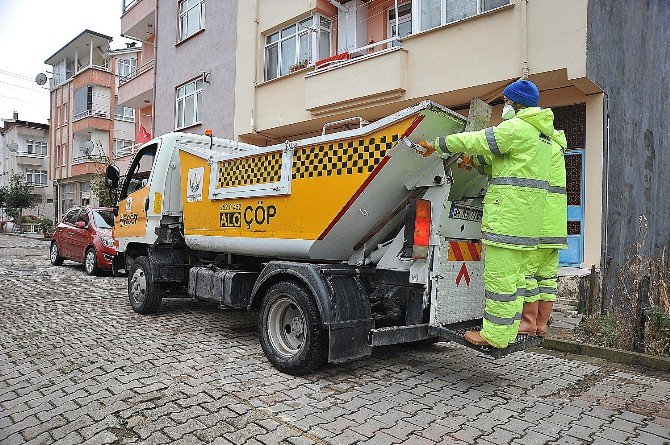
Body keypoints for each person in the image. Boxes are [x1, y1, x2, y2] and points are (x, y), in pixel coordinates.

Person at [421, 79, 554, 349]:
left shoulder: (517, 128)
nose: (503, 107)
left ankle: (495, 335)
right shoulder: (542, 137)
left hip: (507, 220)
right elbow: (503, 165)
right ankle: (510, 329)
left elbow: (479, 140)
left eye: (506, 102)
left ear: (516, 104)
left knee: (499, 281)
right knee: (516, 281)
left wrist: (439, 143)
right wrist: (479, 162)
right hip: (528, 223)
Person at [517, 128, 568, 337]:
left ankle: (527, 323)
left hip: (539, 226)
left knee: (527, 274)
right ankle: (541, 326)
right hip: (555, 227)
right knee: (546, 279)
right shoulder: (557, 147)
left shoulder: (539, 146)